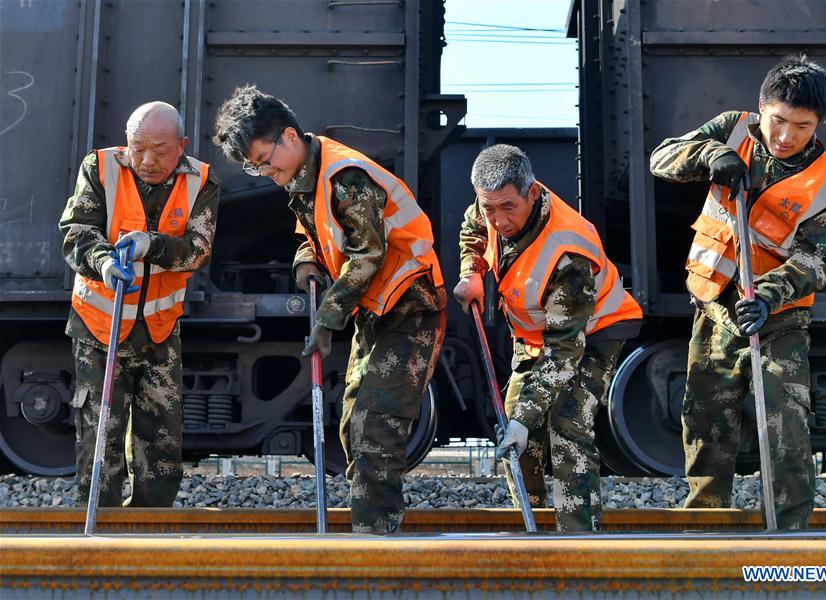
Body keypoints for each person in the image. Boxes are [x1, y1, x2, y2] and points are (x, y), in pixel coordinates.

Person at [212, 86, 446, 534]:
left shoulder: (345, 176)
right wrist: (306, 263)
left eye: (264, 160)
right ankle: (371, 532)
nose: (263, 173)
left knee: (375, 430)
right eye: (253, 166)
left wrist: (327, 319)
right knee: (352, 425)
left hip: (411, 311)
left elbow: (366, 255)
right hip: (378, 314)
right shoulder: (305, 175)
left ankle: (376, 542)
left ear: (288, 137)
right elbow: (314, 235)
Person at [649, 55, 826, 529]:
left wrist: (766, 296)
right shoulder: (733, 130)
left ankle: (788, 535)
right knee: (705, 423)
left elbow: (817, 260)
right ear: (762, 107)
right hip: (714, 309)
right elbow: (662, 158)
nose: (785, 136)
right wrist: (710, 155)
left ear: (818, 124)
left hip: (777, 319)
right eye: (778, 121)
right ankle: (706, 529)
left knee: (784, 426)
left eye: (801, 127)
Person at [454, 144, 642, 531]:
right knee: (515, 438)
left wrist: (526, 417)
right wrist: (472, 272)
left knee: (566, 424)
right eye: (490, 208)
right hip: (538, 334)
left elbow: (565, 353)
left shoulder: (568, 255)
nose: (499, 220)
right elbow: (473, 228)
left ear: (533, 193)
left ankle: (578, 540)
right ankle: (534, 528)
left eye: (509, 207)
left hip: (594, 333)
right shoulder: (487, 208)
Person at [59, 101, 220, 507]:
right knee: (99, 438)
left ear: (181, 145)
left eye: (160, 150)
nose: (147, 160)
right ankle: (100, 534)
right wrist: (104, 261)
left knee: (162, 440)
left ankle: (153, 531)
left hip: (160, 332)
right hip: (99, 328)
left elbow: (198, 251)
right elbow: (76, 233)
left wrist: (154, 245)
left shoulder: (200, 181)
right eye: (137, 147)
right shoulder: (100, 168)